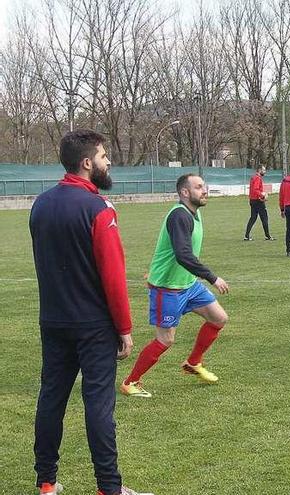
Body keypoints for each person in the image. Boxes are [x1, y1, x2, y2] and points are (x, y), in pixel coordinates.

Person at [30, 130, 151, 495]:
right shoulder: (99, 209)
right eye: (103, 155)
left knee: (51, 397)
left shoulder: (41, 204)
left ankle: (46, 482)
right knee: (98, 404)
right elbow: (112, 275)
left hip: (53, 320)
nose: (108, 161)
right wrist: (124, 328)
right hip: (93, 325)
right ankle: (110, 488)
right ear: (87, 163)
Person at [120, 174, 230, 398]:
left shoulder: (193, 213)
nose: (205, 190)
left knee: (219, 318)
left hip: (188, 285)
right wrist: (212, 277)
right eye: (199, 187)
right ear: (185, 193)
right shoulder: (180, 215)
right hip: (167, 289)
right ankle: (130, 382)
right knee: (165, 340)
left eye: (204, 186)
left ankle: (193, 362)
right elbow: (182, 255)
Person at [243, 165, 274, 241]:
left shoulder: (253, 177)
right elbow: (255, 190)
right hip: (258, 201)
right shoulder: (257, 178)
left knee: (253, 218)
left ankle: (246, 236)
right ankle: (268, 236)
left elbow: (253, 190)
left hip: (252, 200)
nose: (265, 171)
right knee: (264, 218)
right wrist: (262, 195)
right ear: (259, 170)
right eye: (264, 170)